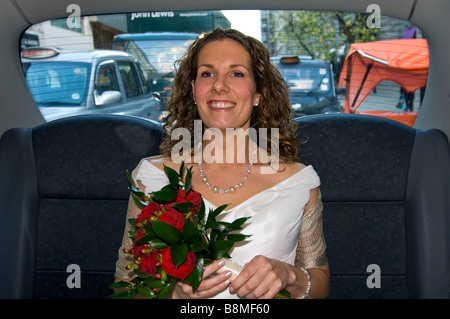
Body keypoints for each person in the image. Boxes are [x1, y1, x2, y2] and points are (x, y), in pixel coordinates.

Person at [114, 28, 330, 299]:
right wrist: (173, 296)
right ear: (193, 90)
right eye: (207, 73)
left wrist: (290, 276)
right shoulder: (151, 179)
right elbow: (125, 285)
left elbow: (320, 284)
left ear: (258, 92)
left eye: (236, 73)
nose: (219, 85)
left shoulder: (298, 183)